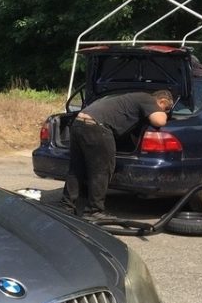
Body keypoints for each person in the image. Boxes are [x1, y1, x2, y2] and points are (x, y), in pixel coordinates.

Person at [61, 89, 174, 220]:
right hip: (96, 127)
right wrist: (165, 114)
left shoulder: (131, 98)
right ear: (162, 101)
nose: (165, 112)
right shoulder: (148, 99)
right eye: (165, 109)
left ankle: (66, 207)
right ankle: (93, 211)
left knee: (76, 168)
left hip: (79, 123)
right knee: (101, 171)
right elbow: (159, 121)